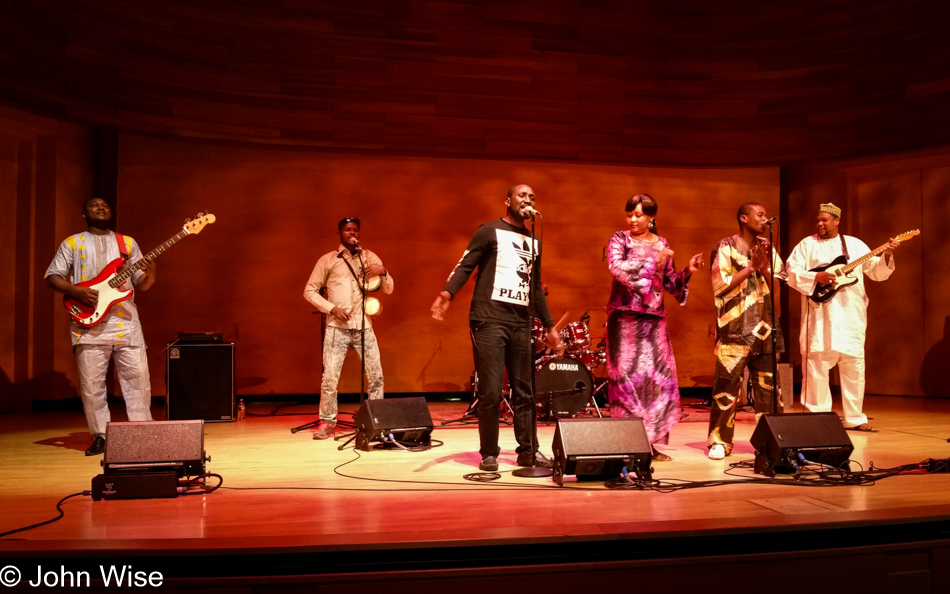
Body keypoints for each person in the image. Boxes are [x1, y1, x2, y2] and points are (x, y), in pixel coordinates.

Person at [431, 184, 562, 472]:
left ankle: (529, 451)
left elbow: (536, 289)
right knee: (490, 391)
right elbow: (466, 265)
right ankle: (489, 452)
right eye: (521, 196)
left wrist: (549, 326)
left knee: (525, 392)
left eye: (532, 197)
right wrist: (447, 293)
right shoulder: (488, 230)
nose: (527, 201)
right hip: (489, 320)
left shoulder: (534, 241)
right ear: (508, 201)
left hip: (521, 322)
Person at [45, 197, 157, 456]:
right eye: (94, 205)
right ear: (84, 213)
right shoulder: (73, 242)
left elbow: (143, 284)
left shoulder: (127, 243)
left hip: (126, 321)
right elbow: (52, 277)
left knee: (137, 378)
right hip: (88, 321)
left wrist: (152, 273)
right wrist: (78, 291)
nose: (101, 207)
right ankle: (101, 436)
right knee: (92, 384)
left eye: (105, 205)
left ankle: (143, 433)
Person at [606, 194, 703, 462]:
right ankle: (628, 443)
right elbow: (617, 269)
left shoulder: (662, 244)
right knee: (626, 381)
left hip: (654, 322)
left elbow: (670, 283)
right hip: (625, 319)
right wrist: (654, 262)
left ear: (651, 218)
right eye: (630, 215)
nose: (633, 220)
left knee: (654, 383)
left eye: (639, 215)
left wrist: (688, 271)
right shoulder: (620, 239)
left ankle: (649, 444)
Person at [786, 203, 899, 432]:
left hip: (849, 315)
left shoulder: (855, 245)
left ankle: (855, 419)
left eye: (825, 220)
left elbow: (877, 272)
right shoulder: (806, 245)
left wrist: (886, 253)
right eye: (818, 219)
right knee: (816, 366)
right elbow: (790, 272)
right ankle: (818, 417)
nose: (820, 223)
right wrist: (817, 276)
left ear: (837, 221)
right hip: (818, 316)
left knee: (854, 367)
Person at [707, 202, 787, 460]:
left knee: (769, 390)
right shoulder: (725, 247)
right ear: (743, 218)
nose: (765, 219)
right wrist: (751, 267)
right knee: (726, 386)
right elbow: (721, 285)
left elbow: (778, 283)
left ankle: (773, 440)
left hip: (765, 328)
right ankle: (719, 441)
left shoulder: (767, 246)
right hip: (734, 328)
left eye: (765, 215)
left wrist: (763, 267)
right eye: (759, 215)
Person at [304, 217, 394, 440]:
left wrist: (383, 271)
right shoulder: (328, 260)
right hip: (337, 327)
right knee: (330, 378)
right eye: (347, 230)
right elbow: (309, 290)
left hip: (364, 326)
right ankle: (327, 421)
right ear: (340, 233)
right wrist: (332, 308)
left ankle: (377, 421)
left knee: (376, 376)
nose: (352, 233)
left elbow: (389, 290)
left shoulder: (370, 257)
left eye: (355, 230)